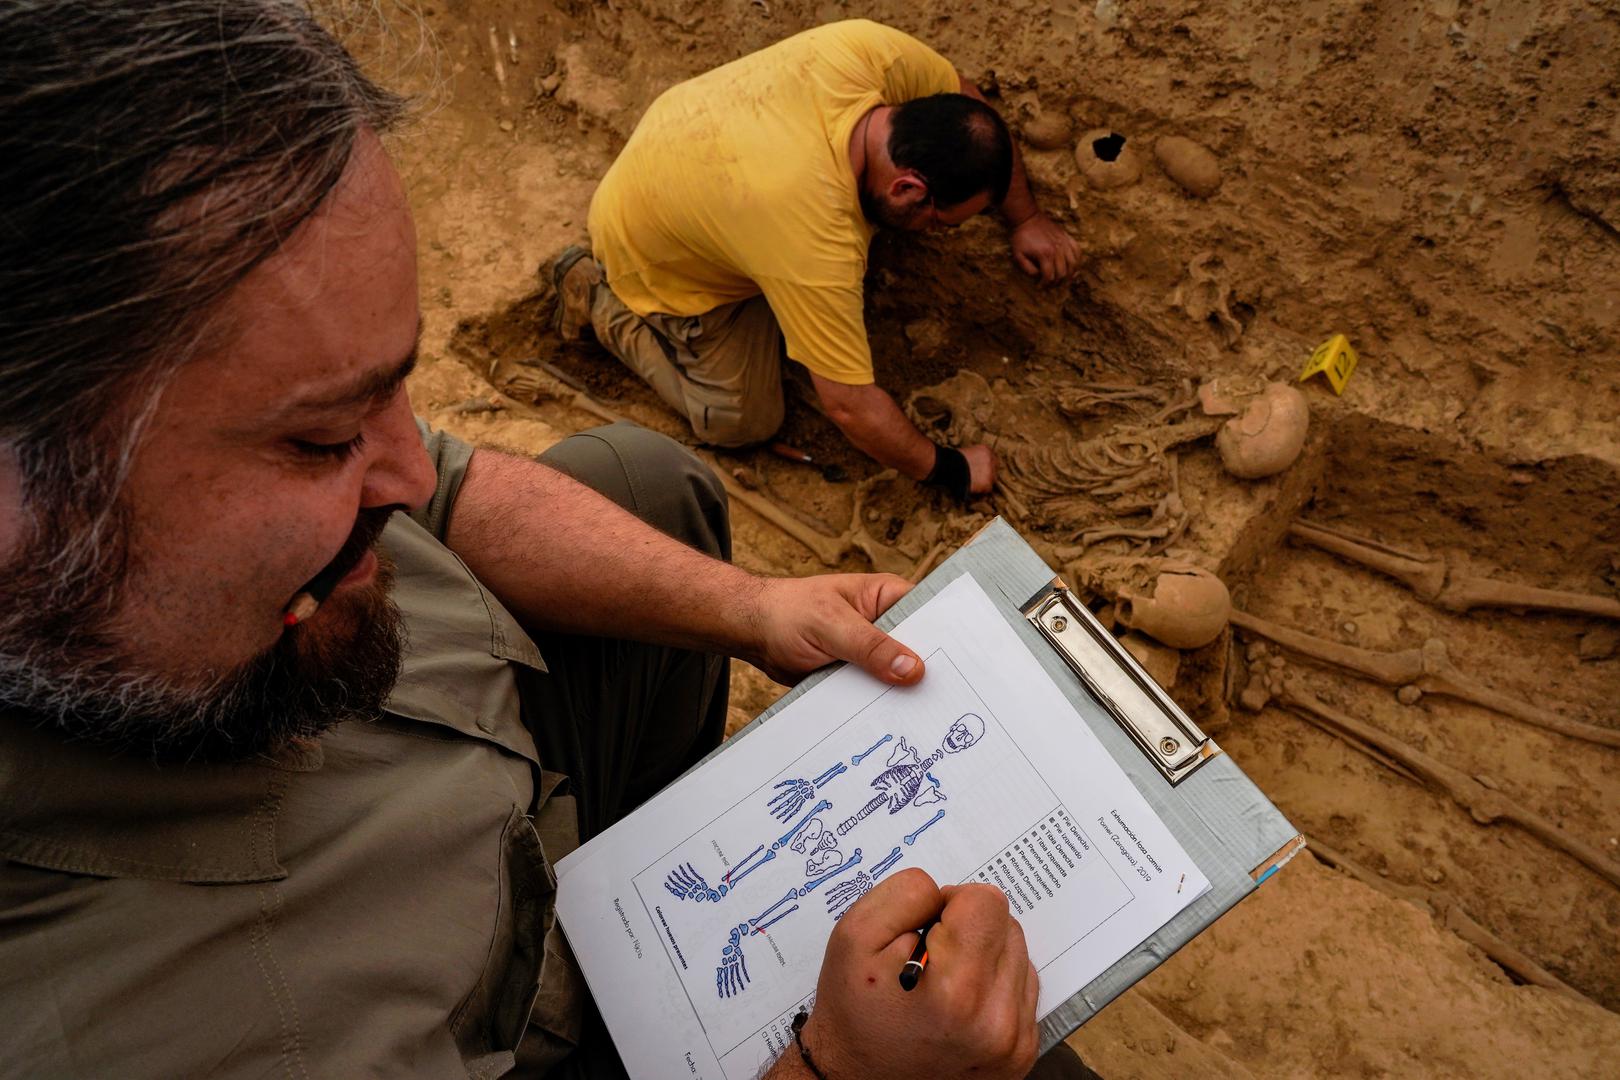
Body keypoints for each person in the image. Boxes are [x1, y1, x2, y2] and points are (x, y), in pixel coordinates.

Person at [0, 4, 1096, 1078]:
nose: (410, 471)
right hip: (540, 998)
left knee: (645, 480)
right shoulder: (175, 1028)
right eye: (323, 439)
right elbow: (851, 404)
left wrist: (754, 609)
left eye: (396, 391)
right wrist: (832, 1067)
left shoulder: (154, 500)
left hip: (523, 783)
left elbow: (448, 486)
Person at [556, 19, 1080, 502]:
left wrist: (1026, 218)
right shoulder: (814, 237)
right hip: (651, 254)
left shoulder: (866, 51)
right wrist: (952, 468)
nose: (938, 234)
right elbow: (850, 407)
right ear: (907, 188)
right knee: (740, 422)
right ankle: (596, 296)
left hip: (689, 148)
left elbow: (970, 106)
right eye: (939, 222)